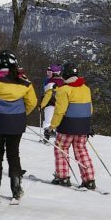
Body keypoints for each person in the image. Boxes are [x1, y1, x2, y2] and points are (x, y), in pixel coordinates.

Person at [0, 50, 38, 201]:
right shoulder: (23, 81)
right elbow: (32, 102)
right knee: (13, 154)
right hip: (16, 122)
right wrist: (22, 114)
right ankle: (16, 187)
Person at [47, 62, 96, 190]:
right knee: (81, 151)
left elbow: (60, 111)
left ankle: (63, 177)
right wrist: (87, 125)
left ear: (65, 74)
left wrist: (52, 126)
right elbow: (89, 109)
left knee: (61, 149)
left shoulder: (64, 90)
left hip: (67, 127)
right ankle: (89, 179)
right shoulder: (86, 88)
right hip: (83, 127)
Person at [40, 64, 64, 140]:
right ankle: (54, 132)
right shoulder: (63, 81)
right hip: (60, 104)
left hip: (50, 103)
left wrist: (41, 105)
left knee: (48, 119)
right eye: (47, 72)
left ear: (55, 73)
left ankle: (46, 137)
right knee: (57, 119)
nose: (48, 74)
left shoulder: (51, 82)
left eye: (50, 72)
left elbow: (48, 95)